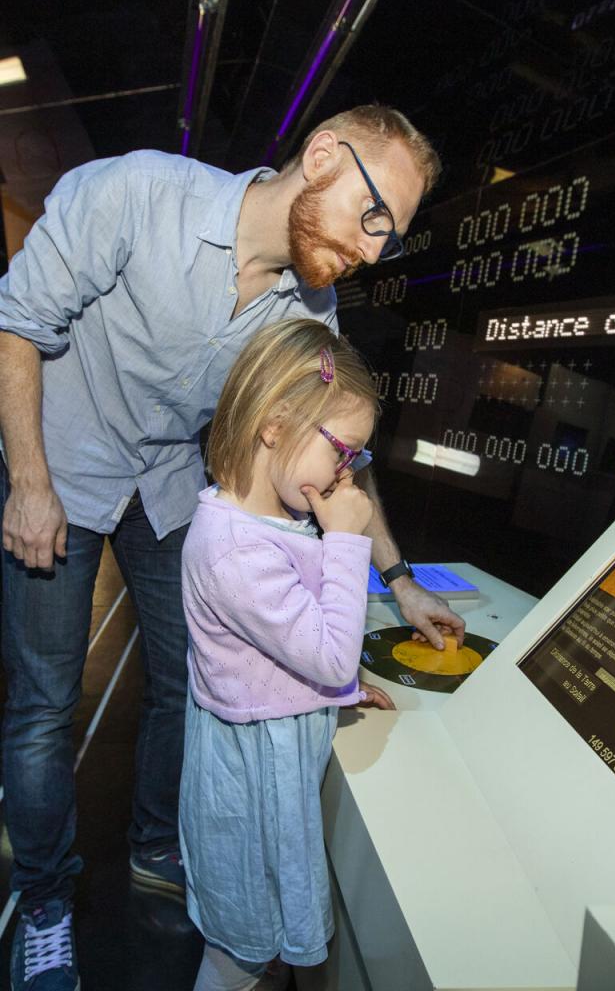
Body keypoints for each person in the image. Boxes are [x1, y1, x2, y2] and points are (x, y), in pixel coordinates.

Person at [0, 104, 464, 990]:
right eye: (374, 217)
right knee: (45, 704)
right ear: (322, 154)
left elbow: (342, 456)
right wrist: (26, 480)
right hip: (60, 460)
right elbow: (17, 323)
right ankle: (47, 900)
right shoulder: (137, 191)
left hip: (166, 486)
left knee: (186, 682)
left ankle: (154, 849)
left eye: (390, 238)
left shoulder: (312, 316)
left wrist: (398, 579)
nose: (374, 250)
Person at [180, 318, 383, 990]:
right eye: (341, 450)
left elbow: (291, 650)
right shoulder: (235, 547)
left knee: (260, 943)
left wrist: (343, 692)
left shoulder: (273, 523)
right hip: (248, 787)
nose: (344, 472)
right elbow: (324, 654)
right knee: (237, 952)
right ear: (274, 425)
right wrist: (348, 540)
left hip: (272, 764)